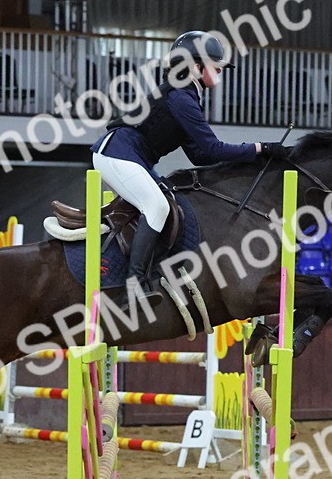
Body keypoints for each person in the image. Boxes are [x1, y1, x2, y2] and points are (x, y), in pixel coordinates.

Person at [90, 31, 290, 301]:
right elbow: (213, 148)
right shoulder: (181, 98)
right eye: (215, 66)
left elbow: (201, 156)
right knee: (157, 206)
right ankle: (133, 288)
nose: (220, 71)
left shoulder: (184, 95)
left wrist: (254, 155)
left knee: (166, 203)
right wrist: (260, 148)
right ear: (196, 66)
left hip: (128, 156)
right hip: (117, 153)